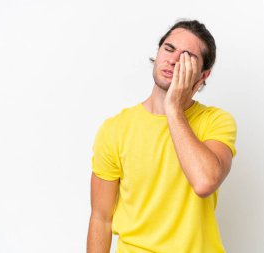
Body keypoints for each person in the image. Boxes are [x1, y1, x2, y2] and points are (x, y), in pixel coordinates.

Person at [87, 19, 237, 253]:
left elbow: (204, 181)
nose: (174, 59)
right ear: (158, 54)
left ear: (203, 75)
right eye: (169, 49)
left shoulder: (216, 121)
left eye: (188, 57)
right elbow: (101, 218)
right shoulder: (116, 128)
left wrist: (174, 108)